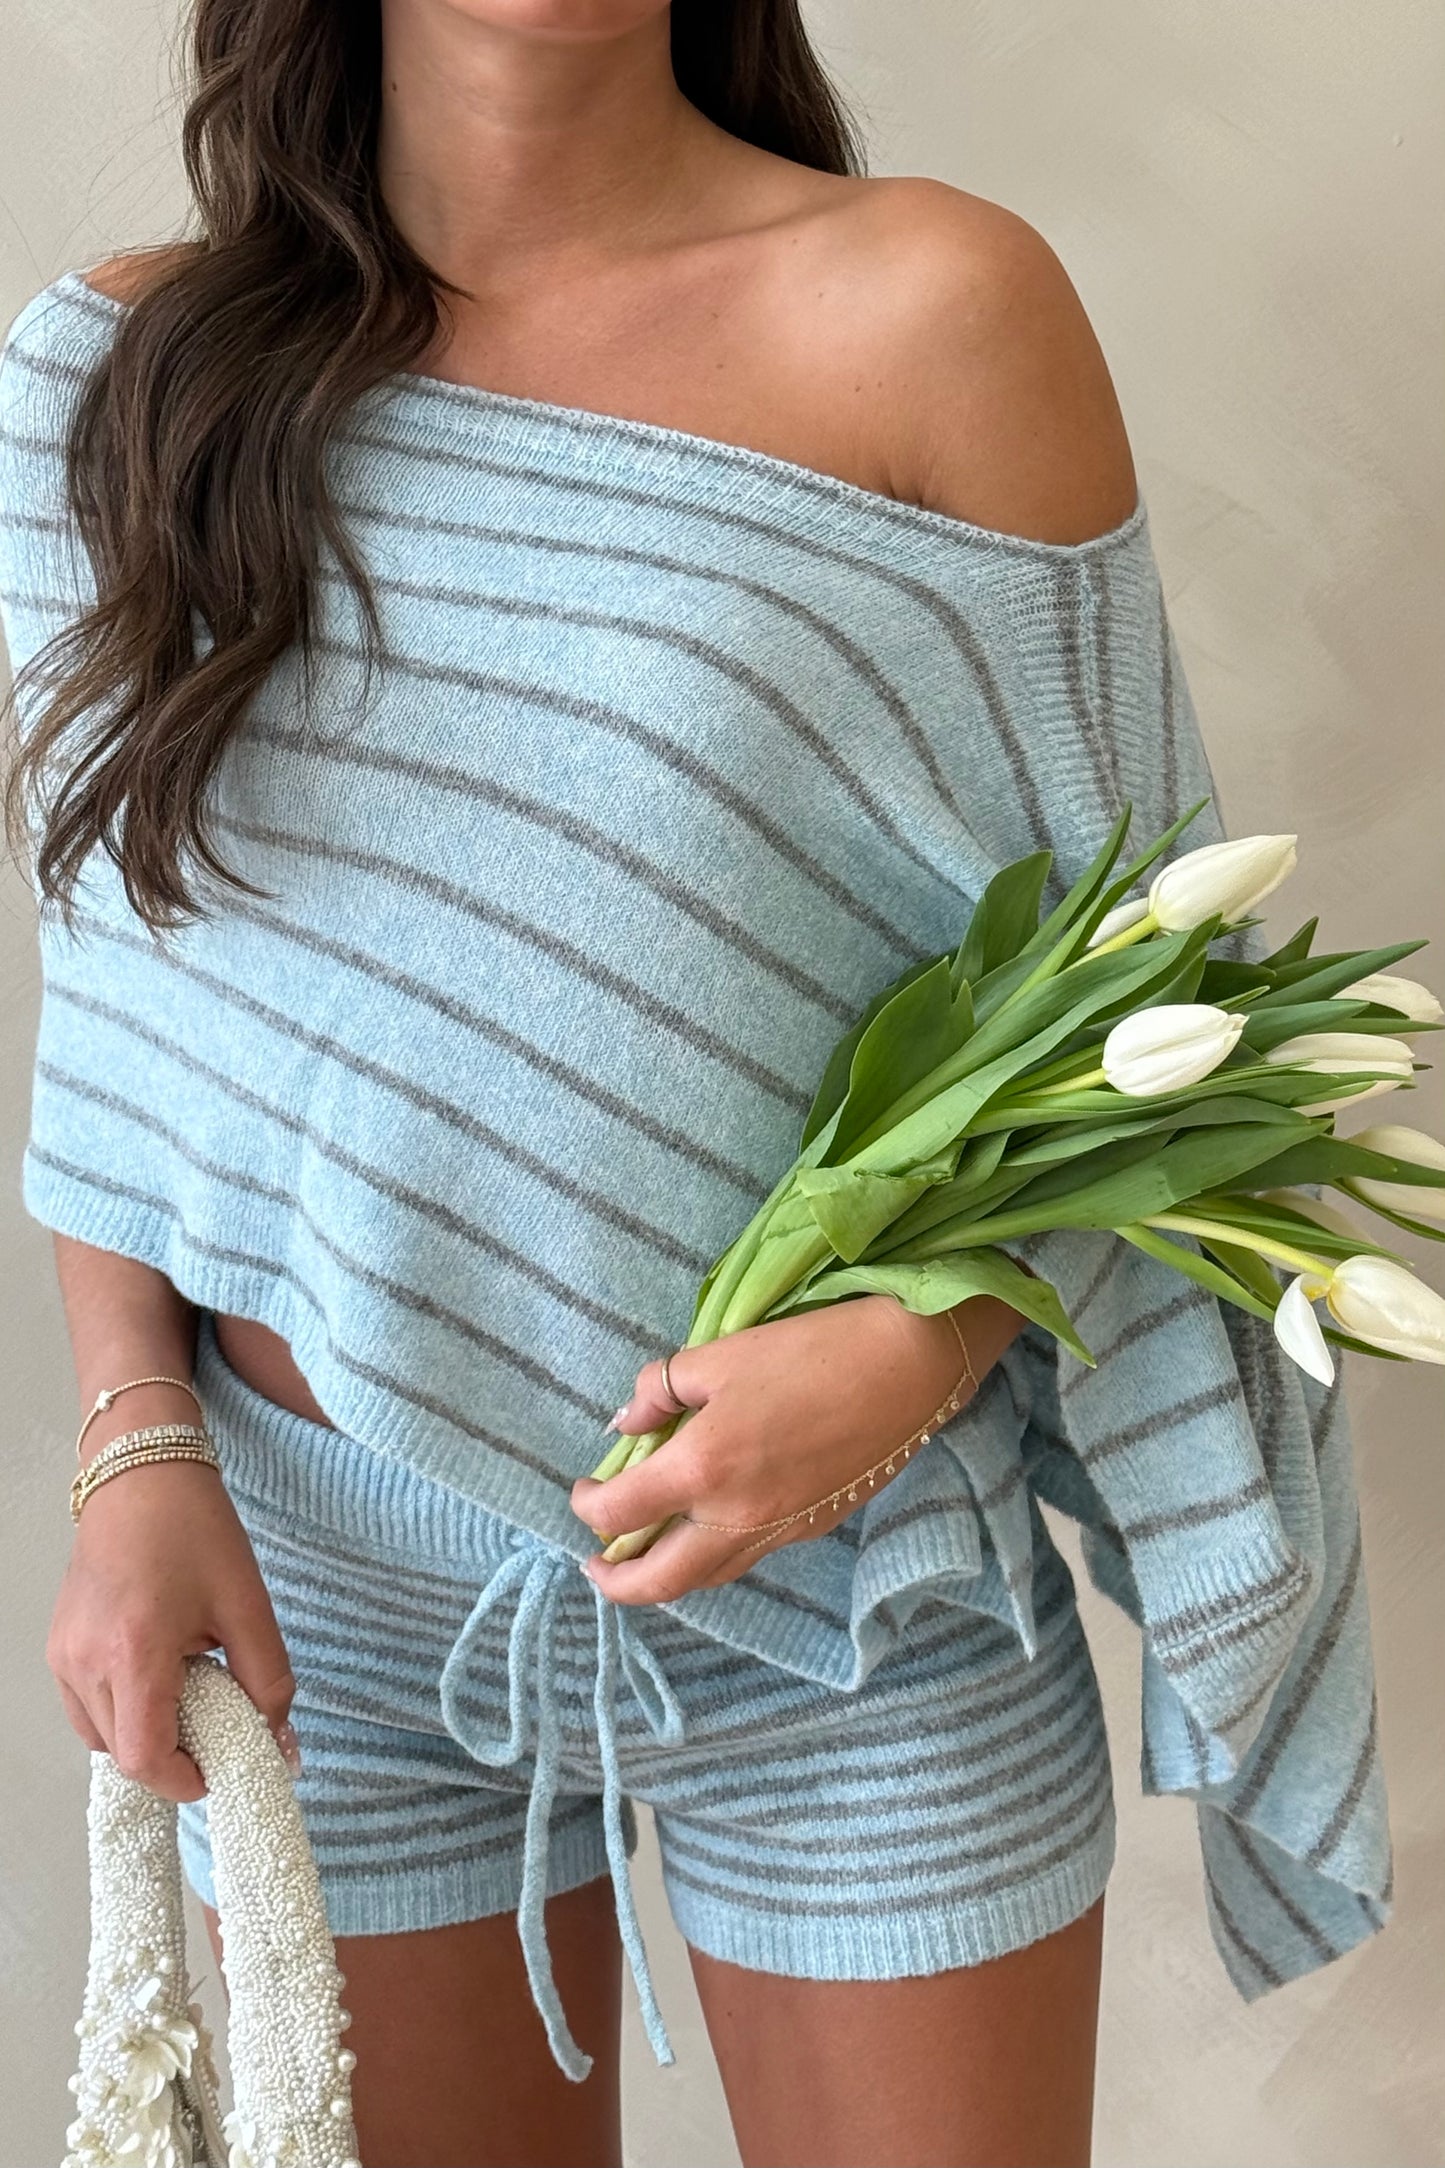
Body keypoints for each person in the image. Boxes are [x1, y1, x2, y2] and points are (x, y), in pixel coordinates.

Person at [0, 6, 1393, 2166]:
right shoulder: (119, 373)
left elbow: (1145, 1005)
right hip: (322, 1606)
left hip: (858, 1596)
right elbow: (123, 989)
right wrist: (133, 1438)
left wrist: (921, 1347)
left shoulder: (934, 311)